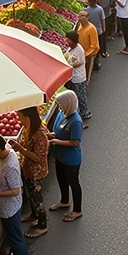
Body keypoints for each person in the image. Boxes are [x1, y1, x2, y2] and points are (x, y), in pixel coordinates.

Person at [12, 107, 50, 239]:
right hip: (27, 169)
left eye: (20, 117)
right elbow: (24, 143)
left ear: (27, 118)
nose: (19, 120)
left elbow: (37, 157)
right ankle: (34, 215)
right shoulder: (28, 129)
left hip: (36, 172)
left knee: (37, 198)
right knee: (30, 194)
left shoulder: (40, 135)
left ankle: (42, 225)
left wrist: (20, 149)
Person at [48, 90, 83, 223]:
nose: (59, 107)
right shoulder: (61, 113)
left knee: (73, 183)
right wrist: (52, 135)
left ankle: (77, 210)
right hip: (60, 155)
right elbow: (57, 130)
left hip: (71, 159)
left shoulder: (76, 121)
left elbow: (75, 142)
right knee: (61, 179)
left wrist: (56, 141)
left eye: (61, 104)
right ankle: (64, 201)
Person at [63, 29, 91, 121]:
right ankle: (82, 112)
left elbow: (74, 63)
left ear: (72, 40)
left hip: (78, 77)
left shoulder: (77, 51)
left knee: (80, 96)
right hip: (75, 76)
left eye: (68, 40)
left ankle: (85, 112)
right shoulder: (73, 48)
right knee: (78, 95)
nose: (67, 41)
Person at [76, 12, 101, 82]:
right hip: (82, 51)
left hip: (89, 53)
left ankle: (87, 81)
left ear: (86, 18)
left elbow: (94, 45)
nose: (79, 19)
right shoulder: (80, 25)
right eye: (79, 17)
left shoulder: (92, 28)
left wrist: (86, 54)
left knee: (88, 68)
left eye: (81, 17)